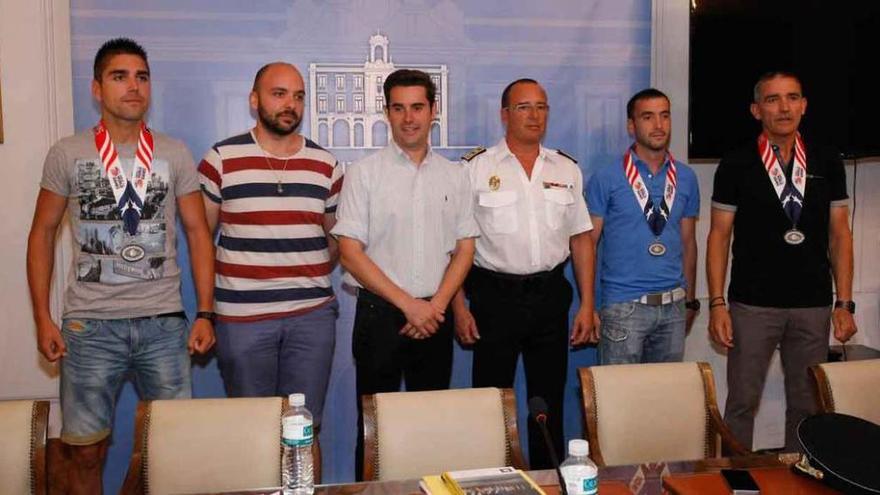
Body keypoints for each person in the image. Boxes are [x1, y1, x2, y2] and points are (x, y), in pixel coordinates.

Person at [26, 38, 215, 494]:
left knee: (174, 446)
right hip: (90, 327)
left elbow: (197, 233)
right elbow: (42, 234)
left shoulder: (174, 153)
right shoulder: (67, 153)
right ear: (97, 88)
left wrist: (205, 312)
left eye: (142, 77)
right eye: (120, 76)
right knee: (84, 450)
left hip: (163, 325)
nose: (134, 87)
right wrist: (42, 318)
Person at [332, 68, 478, 479]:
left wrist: (434, 305)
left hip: (435, 316)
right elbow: (349, 251)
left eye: (417, 107)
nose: (409, 118)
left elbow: (465, 248)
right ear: (387, 112)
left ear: (433, 111)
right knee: (373, 429)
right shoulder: (363, 173)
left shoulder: (455, 175)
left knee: (429, 430)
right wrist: (408, 305)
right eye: (399, 108)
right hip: (380, 316)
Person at [707, 71, 857, 452]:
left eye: (792, 98)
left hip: (813, 304)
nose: (784, 107)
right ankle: (737, 482)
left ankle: (798, 480)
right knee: (741, 403)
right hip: (752, 305)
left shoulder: (827, 159)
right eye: (773, 99)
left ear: (804, 106)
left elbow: (840, 234)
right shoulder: (737, 162)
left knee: (807, 406)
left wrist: (844, 302)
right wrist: (717, 304)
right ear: (757, 110)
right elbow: (719, 236)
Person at [451, 78, 594, 469]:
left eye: (542, 107)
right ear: (504, 115)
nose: (534, 115)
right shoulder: (475, 169)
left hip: (550, 296)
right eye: (524, 107)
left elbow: (581, 240)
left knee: (546, 403)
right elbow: (456, 245)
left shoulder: (566, 168)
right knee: (491, 403)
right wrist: (459, 308)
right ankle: (488, 481)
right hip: (493, 298)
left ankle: (548, 479)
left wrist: (587, 305)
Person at [198, 62, 342, 427]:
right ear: (253, 100)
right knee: (252, 430)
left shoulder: (326, 165)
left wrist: (303, 275)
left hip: (311, 317)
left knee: (306, 427)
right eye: (279, 94)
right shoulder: (221, 159)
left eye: (298, 96)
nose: (289, 104)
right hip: (242, 320)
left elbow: (334, 239)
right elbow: (202, 238)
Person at [587, 88, 700, 365]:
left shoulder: (685, 177)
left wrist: (690, 301)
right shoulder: (607, 177)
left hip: (673, 308)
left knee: (662, 403)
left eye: (664, 116)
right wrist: (589, 305)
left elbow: (688, 243)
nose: (659, 125)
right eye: (648, 117)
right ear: (631, 125)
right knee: (618, 402)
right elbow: (587, 243)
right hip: (623, 307)